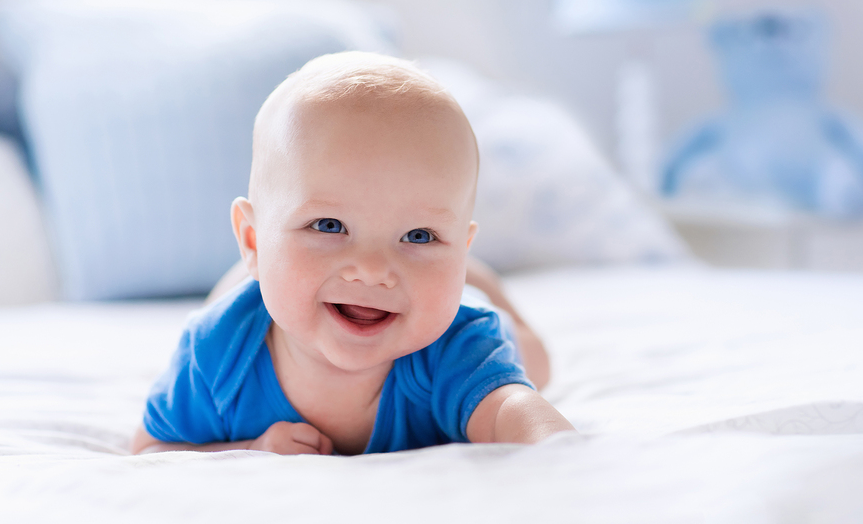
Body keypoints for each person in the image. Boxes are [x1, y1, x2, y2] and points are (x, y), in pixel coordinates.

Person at [131, 52, 574, 456]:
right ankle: (255, 270)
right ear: (251, 240)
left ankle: (480, 283)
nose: (373, 268)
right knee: (243, 293)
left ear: (459, 250)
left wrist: (564, 457)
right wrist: (251, 447)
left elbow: (508, 412)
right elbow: (153, 448)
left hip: (471, 314)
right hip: (252, 294)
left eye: (419, 236)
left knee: (535, 361)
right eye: (329, 226)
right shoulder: (218, 352)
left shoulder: (458, 347)